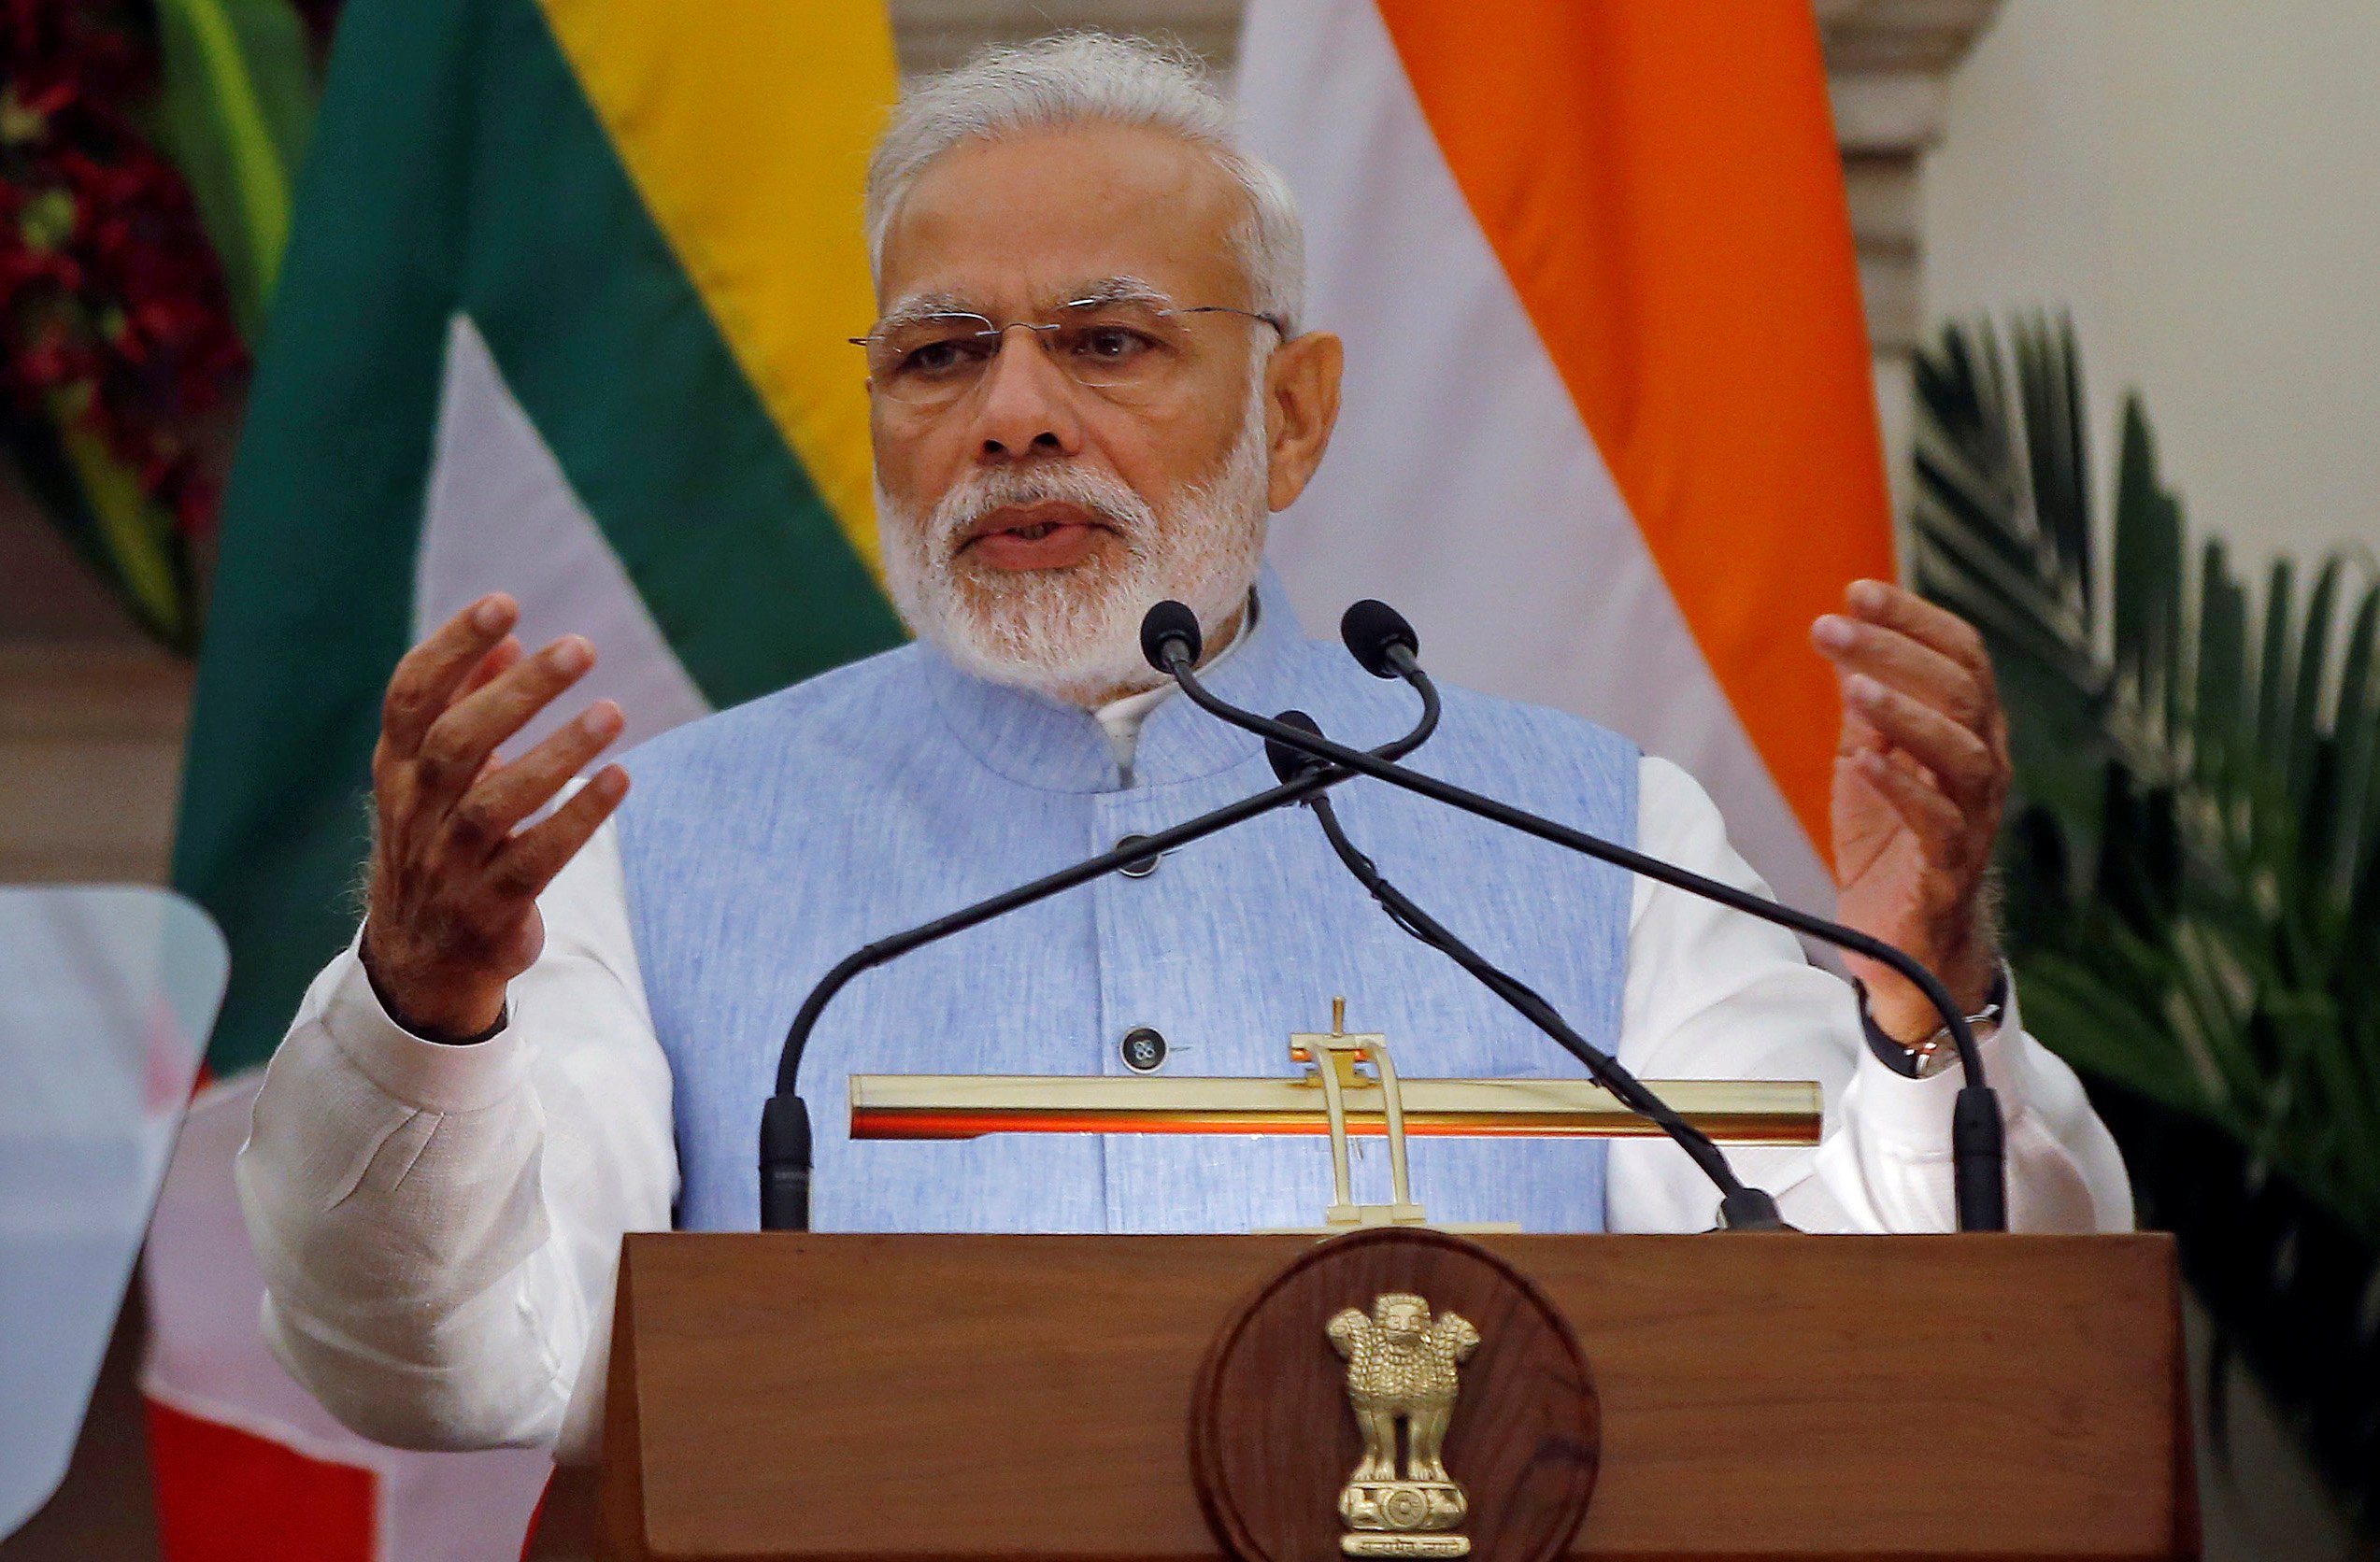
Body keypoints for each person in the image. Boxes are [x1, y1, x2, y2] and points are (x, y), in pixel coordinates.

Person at [236, 34, 2131, 1462]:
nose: (1010, 415)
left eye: (1108, 340)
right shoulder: (659, 845)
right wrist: (421, 1007)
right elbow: (448, 1352)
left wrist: (1920, 1000)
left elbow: (1862, 1323)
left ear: (1290, 415)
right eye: (936, 354)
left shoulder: (1584, 832)